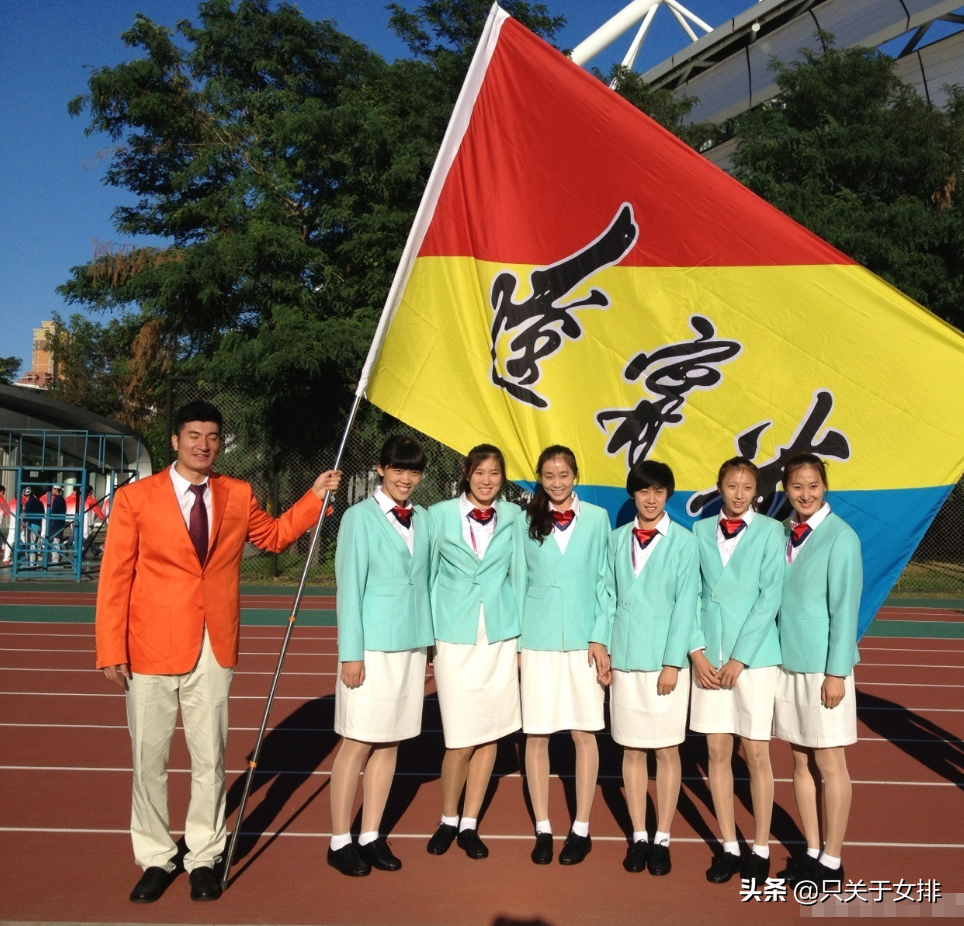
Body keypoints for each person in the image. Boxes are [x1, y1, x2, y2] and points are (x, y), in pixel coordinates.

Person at [95, 400, 341, 904]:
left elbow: (272, 538)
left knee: (209, 759)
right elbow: (115, 577)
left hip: (214, 644)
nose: (203, 445)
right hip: (147, 647)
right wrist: (109, 648)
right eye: (193, 435)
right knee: (150, 760)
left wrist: (314, 497)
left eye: (211, 436)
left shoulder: (237, 493)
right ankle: (157, 857)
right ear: (174, 440)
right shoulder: (136, 499)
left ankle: (204, 855)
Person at [327, 436, 436, 877]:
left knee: (391, 741)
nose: (405, 478)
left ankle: (370, 834)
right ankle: (339, 839)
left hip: (410, 646)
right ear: (380, 469)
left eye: (412, 471)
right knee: (357, 740)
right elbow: (348, 588)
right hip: (370, 649)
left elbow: (426, 581)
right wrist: (351, 654)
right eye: (397, 468)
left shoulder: (425, 519)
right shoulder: (358, 518)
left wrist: (428, 643)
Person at [425, 444, 524, 860]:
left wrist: (519, 640)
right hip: (454, 633)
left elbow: (519, 576)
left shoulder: (515, 517)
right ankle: (448, 818)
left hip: (499, 635)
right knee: (460, 739)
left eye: (495, 473)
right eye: (480, 472)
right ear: (467, 474)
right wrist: (429, 636)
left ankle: (469, 824)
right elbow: (428, 573)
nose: (487, 480)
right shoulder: (438, 515)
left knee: (490, 734)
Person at [689, 457, 784, 884]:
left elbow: (769, 598)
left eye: (747, 486)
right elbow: (688, 594)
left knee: (758, 753)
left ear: (756, 492)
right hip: (710, 658)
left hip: (754, 660)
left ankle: (761, 847)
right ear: (720, 487)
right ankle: (729, 845)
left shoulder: (770, 531)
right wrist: (697, 652)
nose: (740, 492)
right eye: (732, 484)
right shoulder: (698, 531)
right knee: (716, 754)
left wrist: (739, 659)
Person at [773, 453, 861, 891]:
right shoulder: (784, 532)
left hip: (824, 667)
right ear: (786, 489)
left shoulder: (841, 537)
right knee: (799, 759)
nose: (805, 494)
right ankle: (811, 850)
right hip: (788, 663)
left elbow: (845, 610)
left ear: (825, 486)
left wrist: (836, 672)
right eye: (796, 487)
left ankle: (833, 858)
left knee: (830, 762)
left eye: (813, 485)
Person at [604, 460, 697, 877]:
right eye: (644, 491)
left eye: (659, 491)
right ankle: (639, 835)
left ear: (668, 495)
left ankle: (663, 838)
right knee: (631, 747)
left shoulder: (683, 542)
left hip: (664, 664)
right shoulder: (617, 538)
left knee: (666, 749)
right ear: (633, 494)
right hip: (624, 658)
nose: (651, 498)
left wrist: (672, 663)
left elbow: (685, 605)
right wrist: (602, 648)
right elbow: (605, 595)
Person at [519, 445, 610, 866]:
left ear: (575, 475)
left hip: (582, 641)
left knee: (583, 733)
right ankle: (542, 826)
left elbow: (606, 583)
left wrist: (600, 637)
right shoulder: (526, 520)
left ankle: (582, 827)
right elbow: (517, 581)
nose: (557, 482)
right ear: (540, 477)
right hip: (537, 641)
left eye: (564, 474)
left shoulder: (596, 519)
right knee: (536, 735)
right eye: (549, 475)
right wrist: (519, 644)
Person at [48, 486, 67, 564]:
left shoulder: (57, 499)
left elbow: (54, 511)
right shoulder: (61, 499)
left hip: (56, 523)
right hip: (60, 522)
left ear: (56, 489)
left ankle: (55, 559)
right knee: (57, 540)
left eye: (52, 489)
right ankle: (56, 558)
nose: (52, 490)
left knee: (55, 541)